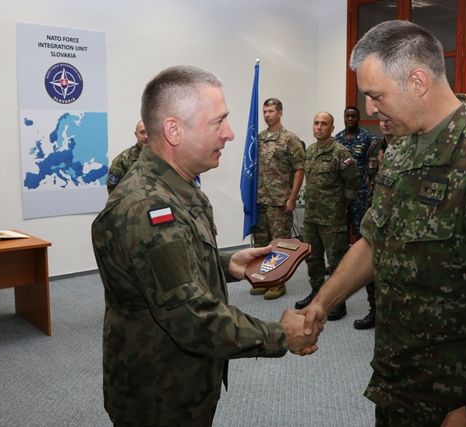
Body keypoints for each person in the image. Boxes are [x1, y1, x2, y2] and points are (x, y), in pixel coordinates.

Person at [300, 20, 466, 426]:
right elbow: (373, 239)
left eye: (376, 95)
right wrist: (322, 303)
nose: (370, 109)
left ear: (418, 81)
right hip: (397, 374)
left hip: (455, 393)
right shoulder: (402, 148)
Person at [91, 66, 318, 427]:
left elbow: (172, 263)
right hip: (159, 394)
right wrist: (280, 336)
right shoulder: (148, 207)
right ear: (173, 130)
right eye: (218, 122)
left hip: (184, 377)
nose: (230, 133)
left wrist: (228, 264)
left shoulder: (174, 187)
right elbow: (192, 318)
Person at [293, 112, 359, 321]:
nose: (319, 127)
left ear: (332, 128)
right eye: (316, 123)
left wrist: (341, 207)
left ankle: (337, 303)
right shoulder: (310, 151)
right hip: (311, 216)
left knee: (336, 262)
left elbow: (352, 184)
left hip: (332, 218)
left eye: (324, 124)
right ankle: (316, 293)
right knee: (312, 259)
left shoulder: (341, 152)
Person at [251, 98, 305, 300]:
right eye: (265, 111)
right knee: (261, 243)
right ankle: (265, 279)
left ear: (280, 113)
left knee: (279, 245)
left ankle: (278, 283)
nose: (267, 115)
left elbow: (299, 170)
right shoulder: (258, 138)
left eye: (271, 111)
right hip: (260, 200)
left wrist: (292, 198)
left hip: (280, 201)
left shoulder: (290, 139)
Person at [353, 118, 395, 330]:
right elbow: (367, 179)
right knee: (371, 266)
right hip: (373, 212)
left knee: (392, 270)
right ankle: (374, 311)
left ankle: (391, 315)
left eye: (389, 120)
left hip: (396, 219)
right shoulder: (374, 146)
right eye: (382, 120)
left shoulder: (408, 146)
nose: (385, 124)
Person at [335, 106, 376, 240]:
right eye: (347, 116)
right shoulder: (338, 138)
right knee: (341, 225)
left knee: (360, 226)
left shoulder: (367, 137)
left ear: (358, 118)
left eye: (353, 116)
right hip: (342, 189)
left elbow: (378, 151)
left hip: (360, 190)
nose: (350, 119)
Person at [106, 120, 148, 194]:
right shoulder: (122, 160)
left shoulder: (162, 157)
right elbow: (113, 192)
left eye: (149, 132)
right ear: (136, 134)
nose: (146, 136)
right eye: (142, 132)